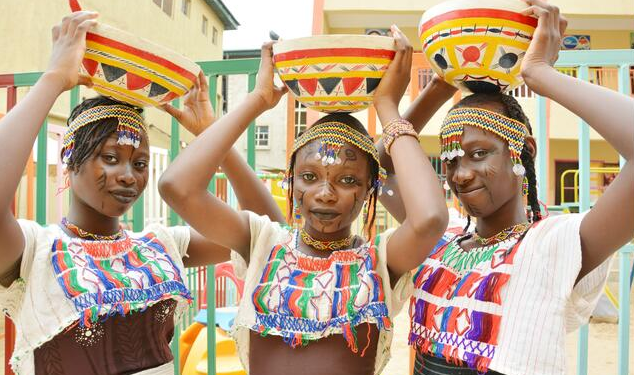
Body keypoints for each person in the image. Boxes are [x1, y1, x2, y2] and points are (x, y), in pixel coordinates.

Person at [0, 11, 283, 375]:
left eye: (140, 163)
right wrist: (54, 78)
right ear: (69, 158)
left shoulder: (160, 246)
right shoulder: (34, 253)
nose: (127, 176)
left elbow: (270, 235)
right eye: (111, 157)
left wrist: (215, 133)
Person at [158, 25, 449, 375]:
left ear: (371, 188)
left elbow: (430, 219)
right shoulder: (263, 243)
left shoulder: (381, 260)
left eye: (347, 180)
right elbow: (178, 187)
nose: (325, 193)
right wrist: (257, 101)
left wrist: (387, 107)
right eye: (309, 177)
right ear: (290, 182)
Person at [376, 1, 634, 374]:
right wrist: (438, 87)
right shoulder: (439, 236)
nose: (460, 174)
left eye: (478, 153)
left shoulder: (551, 244)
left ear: (524, 149)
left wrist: (540, 74)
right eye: (450, 159)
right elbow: (377, 170)